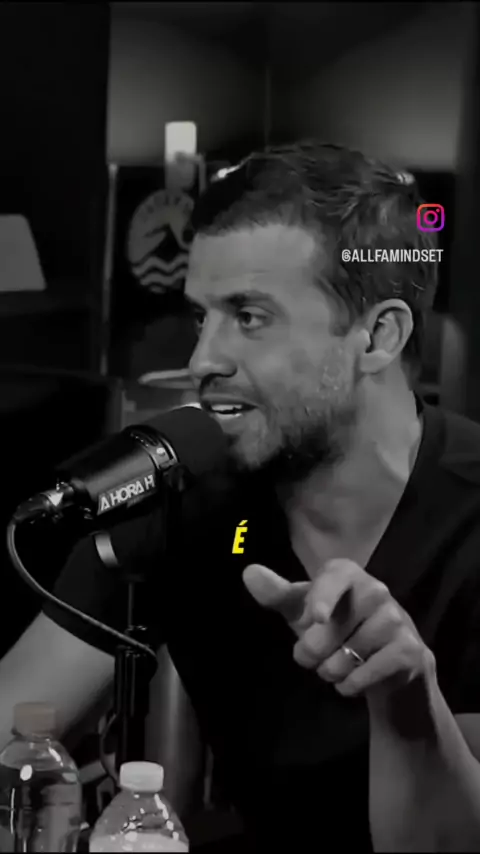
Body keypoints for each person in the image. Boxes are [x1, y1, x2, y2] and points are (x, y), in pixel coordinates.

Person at [1, 140, 480, 851]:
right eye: (203, 318)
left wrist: (407, 703)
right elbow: (12, 718)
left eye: (249, 317)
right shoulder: (184, 490)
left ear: (378, 335)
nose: (202, 361)